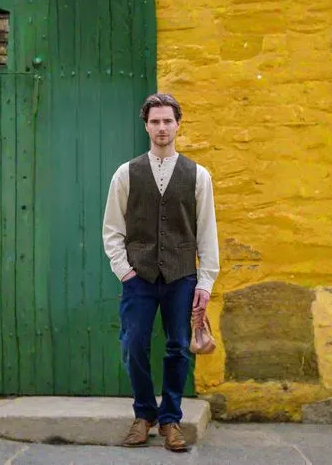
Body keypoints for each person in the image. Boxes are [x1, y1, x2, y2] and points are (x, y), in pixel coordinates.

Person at [102, 93, 219, 452]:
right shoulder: (126, 173)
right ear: (146, 125)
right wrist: (125, 271)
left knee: (178, 348)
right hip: (139, 277)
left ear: (178, 124)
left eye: (168, 120)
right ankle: (144, 413)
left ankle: (170, 419)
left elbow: (206, 230)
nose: (162, 127)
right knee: (133, 344)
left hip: (182, 276)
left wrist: (206, 280)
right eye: (155, 121)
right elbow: (112, 229)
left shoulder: (198, 175)